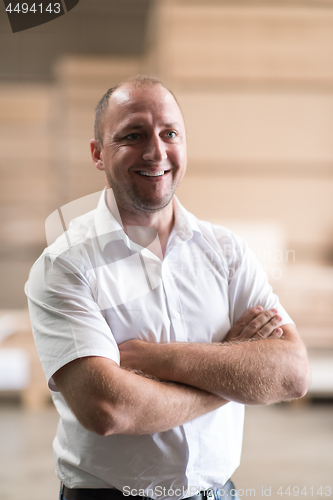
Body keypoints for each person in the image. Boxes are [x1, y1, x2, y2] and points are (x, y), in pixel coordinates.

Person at [25, 75, 311, 500]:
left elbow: (292, 373)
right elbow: (107, 408)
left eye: (169, 133)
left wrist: (154, 359)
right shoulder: (64, 265)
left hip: (218, 493)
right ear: (97, 154)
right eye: (133, 135)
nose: (155, 151)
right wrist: (232, 378)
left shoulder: (226, 251)